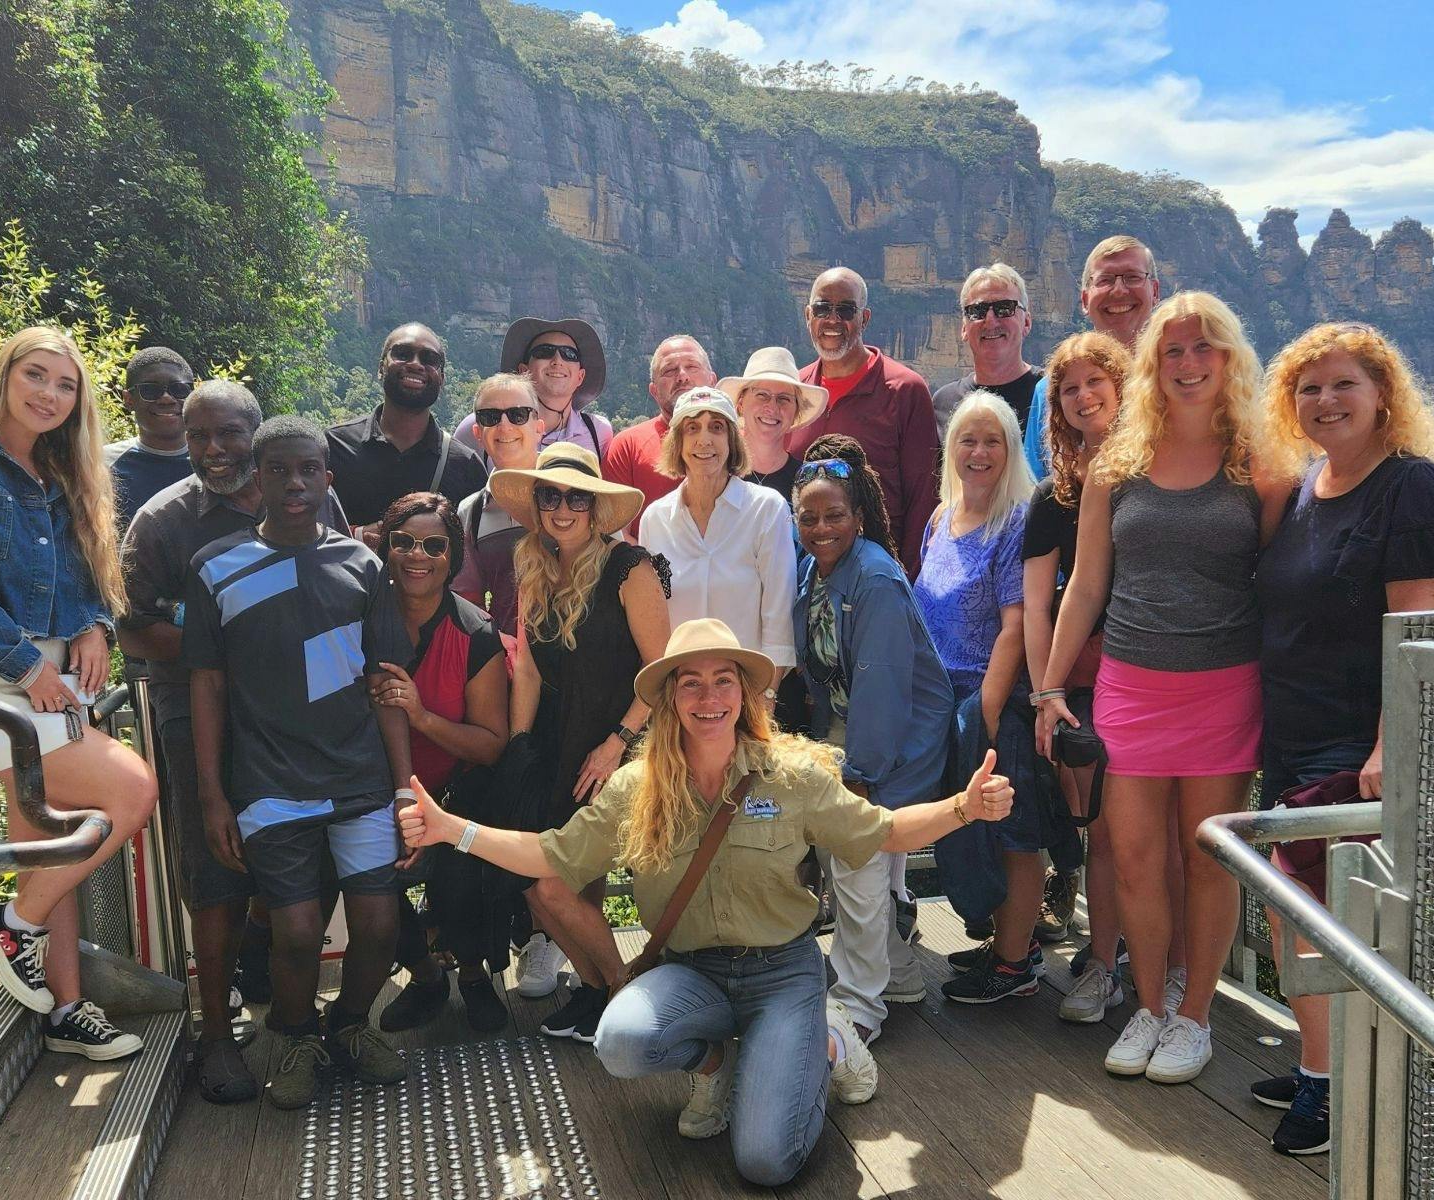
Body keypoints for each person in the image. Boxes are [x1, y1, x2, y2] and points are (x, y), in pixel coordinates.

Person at [396, 617, 1014, 1185]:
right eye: (690, 684)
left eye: (724, 681)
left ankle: (830, 1041)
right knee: (621, 1039)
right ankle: (716, 1066)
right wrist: (453, 829)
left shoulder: (792, 776)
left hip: (782, 974)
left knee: (766, 1163)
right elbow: (550, 856)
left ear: (744, 693)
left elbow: (884, 832)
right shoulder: (636, 789)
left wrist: (965, 807)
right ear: (669, 699)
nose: (708, 698)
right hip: (693, 975)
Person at [1037, 293, 1293, 1085]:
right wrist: (1049, 690)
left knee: (1206, 859)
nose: (1187, 365)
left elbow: (1284, 586)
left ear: (1229, 358)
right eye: (1172, 351)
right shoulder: (1118, 461)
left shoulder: (1263, 463)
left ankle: (1194, 1019)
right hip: (1129, 690)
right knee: (1138, 859)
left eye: (1202, 349)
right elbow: (1084, 587)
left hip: (1224, 688)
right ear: (1152, 363)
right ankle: (1149, 1007)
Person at [1251, 322, 1434, 1155]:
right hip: (1291, 735)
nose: (1326, 401)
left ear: (1383, 394)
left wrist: (1390, 752)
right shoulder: (1312, 487)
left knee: (1313, 918)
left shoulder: (1411, 489)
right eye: (1309, 388)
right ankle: (1328, 1056)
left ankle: (1329, 1086)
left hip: (1357, 749)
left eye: (1344, 384)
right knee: (1302, 910)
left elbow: (1417, 641)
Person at [0, 326, 156, 1059]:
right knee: (132, 793)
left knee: (52, 840)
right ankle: (15, 922)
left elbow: (83, 581)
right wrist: (26, 667)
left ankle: (66, 1010)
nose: (48, 393)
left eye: (65, 384)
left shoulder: (58, 472)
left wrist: (94, 626)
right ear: (3, 375)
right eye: (35, 375)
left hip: (49, 680)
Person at [118, 380, 349, 1100]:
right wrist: (223, 648)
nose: (213, 450)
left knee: (299, 862)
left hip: (298, 713)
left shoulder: (307, 490)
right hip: (195, 712)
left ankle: (290, 1020)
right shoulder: (161, 521)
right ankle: (213, 1034)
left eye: (227, 434)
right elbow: (131, 626)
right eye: (197, 436)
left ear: (257, 434)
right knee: (213, 874)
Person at [183, 415, 415, 1110]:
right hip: (269, 782)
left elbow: (386, 681)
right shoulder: (216, 568)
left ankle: (349, 1028)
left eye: (308, 470)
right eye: (278, 470)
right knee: (297, 931)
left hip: (360, 777)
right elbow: (206, 682)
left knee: (380, 924)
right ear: (257, 480)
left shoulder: (363, 565)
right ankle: (296, 1036)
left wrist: (405, 790)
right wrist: (212, 796)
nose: (294, 483)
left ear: (327, 479)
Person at [487, 442, 671, 1037]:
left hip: (623, 747)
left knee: (550, 884)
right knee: (545, 889)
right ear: (537, 505)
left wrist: (617, 741)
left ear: (595, 507)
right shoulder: (535, 567)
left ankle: (620, 991)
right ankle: (595, 992)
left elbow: (661, 671)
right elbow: (532, 670)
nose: (562, 509)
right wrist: (519, 747)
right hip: (558, 745)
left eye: (575, 497)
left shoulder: (631, 567)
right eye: (549, 496)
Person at [792, 436, 954, 1043]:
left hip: (896, 738)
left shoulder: (876, 579)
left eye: (835, 515)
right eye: (808, 517)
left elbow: (882, 688)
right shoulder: (815, 569)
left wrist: (858, 772)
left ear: (859, 516)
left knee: (858, 857)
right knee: (868, 862)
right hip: (848, 729)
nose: (821, 527)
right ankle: (899, 970)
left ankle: (860, 1005)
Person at [911, 391, 1047, 1005]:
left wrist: (985, 716)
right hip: (943, 700)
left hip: (991, 699)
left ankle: (1016, 963)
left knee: (1012, 830)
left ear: (1012, 448)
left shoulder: (1016, 519)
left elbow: (1016, 624)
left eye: (993, 440)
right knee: (971, 827)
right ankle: (1004, 945)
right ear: (952, 449)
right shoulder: (942, 519)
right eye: (968, 439)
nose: (980, 451)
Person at [369, 492, 511, 1035]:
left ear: (454, 555)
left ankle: (474, 976)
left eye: (433, 545)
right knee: (367, 871)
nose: (416, 556)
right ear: (385, 548)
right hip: (377, 789)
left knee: (459, 867)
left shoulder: (475, 633)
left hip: (456, 789)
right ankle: (426, 976)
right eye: (403, 542)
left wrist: (423, 718)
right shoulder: (362, 619)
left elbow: (492, 743)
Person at [1021, 333, 1129, 1021]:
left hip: (1153, 670)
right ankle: (1104, 960)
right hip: (1078, 681)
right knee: (1102, 830)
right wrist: (1045, 694)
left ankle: (1153, 962)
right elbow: (1037, 605)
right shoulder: (1052, 497)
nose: (1085, 396)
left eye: (1098, 382)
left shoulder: (1160, 478)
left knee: (1147, 831)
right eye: (1069, 388)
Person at [785, 268, 940, 578]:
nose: (832, 320)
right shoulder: (793, 390)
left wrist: (906, 580)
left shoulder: (904, 389)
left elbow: (924, 495)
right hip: (803, 577)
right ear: (807, 315)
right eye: (822, 308)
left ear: (864, 318)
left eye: (845, 310)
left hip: (879, 576)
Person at [638, 388, 796, 688]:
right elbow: (654, 620)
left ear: (732, 441)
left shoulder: (766, 509)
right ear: (678, 442)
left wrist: (767, 698)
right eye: (692, 428)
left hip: (747, 691)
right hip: (680, 693)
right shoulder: (655, 519)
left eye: (717, 427)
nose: (704, 440)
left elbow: (779, 614)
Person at [325, 322, 486, 545]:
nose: (415, 364)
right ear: (381, 367)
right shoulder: (332, 447)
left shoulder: (465, 466)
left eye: (429, 359)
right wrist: (356, 536)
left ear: (442, 378)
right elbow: (299, 528)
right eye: (403, 354)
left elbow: (474, 552)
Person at [1024, 236, 1161, 479]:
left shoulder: (1175, 381)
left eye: (1132, 277)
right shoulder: (1050, 391)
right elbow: (1033, 484)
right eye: (1105, 280)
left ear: (1155, 291)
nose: (1119, 290)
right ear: (1085, 300)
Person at [451, 373, 546, 635]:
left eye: (518, 414)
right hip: (509, 661)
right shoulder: (471, 512)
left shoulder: (577, 493)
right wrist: (497, 644)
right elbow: (467, 598)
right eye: (491, 417)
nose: (504, 426)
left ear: (539, 427)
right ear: (478, 433)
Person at [603, 335, 717, 538]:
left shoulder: (735, 443)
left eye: (692, 366)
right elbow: (615, 532)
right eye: (669, 370)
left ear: (712, 380)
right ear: (653, 390)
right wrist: (661, 570)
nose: (682, 376)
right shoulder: (628, 445)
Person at [454, 318, 614, 461]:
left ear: (580, 376)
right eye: (545, 352)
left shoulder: (599, 432)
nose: (557, 361)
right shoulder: (483, 426)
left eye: (569, 354)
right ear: (524, 371)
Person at [931, 264, 1042, 446]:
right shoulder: (944, 402)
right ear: (964, 328)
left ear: (1027, 323)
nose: (990, 321)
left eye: (1005, 308)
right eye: (977, 311)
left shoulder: (1052, 393)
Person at [716, 346, 827, 503]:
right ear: (740, 404)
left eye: (784, 398)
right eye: (762, 395)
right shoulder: (715, 475)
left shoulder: (809, 484)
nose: (772, 407)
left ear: (795, 412)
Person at [104, 346, 195, 528]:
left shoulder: (213, 463)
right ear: (128, 399)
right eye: (151, 390)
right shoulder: (101, 466)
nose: (166, 399)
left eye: (179, 389)